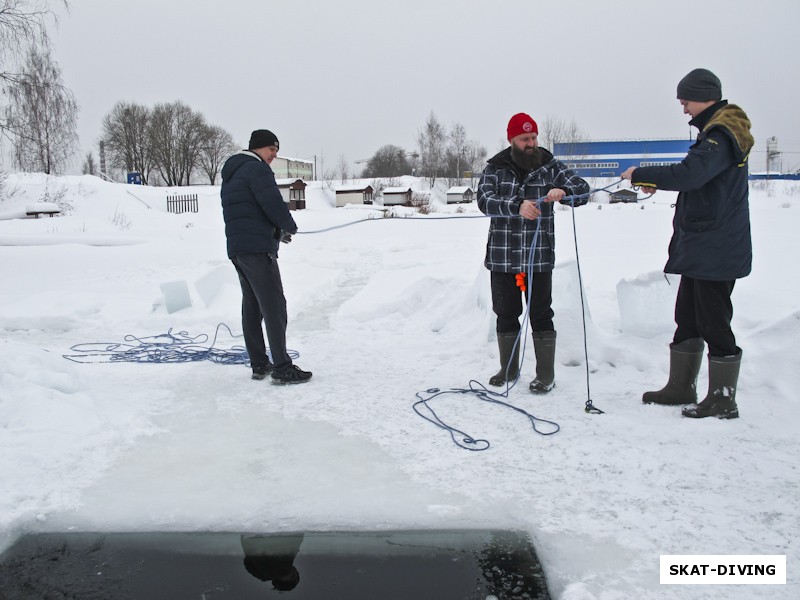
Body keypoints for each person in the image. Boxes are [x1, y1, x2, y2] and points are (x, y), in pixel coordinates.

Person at [621, 68, 753, 419]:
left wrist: (642, 173)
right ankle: (681, 387)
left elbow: (690, 174)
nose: (684, 110)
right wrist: (657, 183)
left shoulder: (722, 134)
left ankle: (723, 397)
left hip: (717, 247)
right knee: (687, 318)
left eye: (686, 102)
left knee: (714, 321)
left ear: (703, 95)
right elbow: (697, 180)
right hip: (703, 245)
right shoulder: (715, 131)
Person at [478, 113, 590, 393]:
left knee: (541, 314)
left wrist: (562, 190)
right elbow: (483, 200)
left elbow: (583, 190)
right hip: (503, 257)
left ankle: (545, 375)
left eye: (534, 137)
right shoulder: (495, 168)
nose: (531, 143)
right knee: (505, 313)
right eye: (525, 139)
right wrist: (516, 205)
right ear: (512, 140)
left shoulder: (549, 165)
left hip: (538, 256)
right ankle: (508, 368)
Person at [221, 129, 312, 384]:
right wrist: (288, 225)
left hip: (239, 247)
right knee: (274, 306)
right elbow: (271, 203)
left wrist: (274, 232)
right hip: (258, 250)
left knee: (252, 306)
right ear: (259, 148)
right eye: (272, 149)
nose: (274, 155)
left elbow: (249, 210)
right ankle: (282, 367)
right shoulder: (257, 169)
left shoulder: (234, 171)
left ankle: (260, 364)